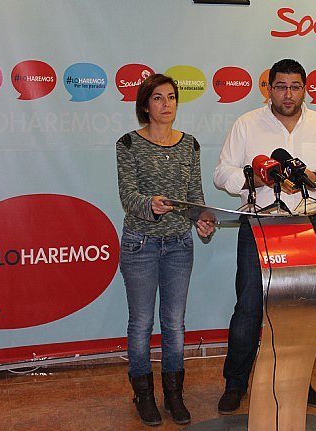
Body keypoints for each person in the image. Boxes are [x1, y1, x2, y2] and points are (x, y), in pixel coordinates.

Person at [213, 59, 316, 414]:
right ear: (269, 89)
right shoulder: (247, 124)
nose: (288, 94)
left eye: (295, 86)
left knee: (300, 311)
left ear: (305, 89)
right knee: (248, 308)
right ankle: (235, 384)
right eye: (280, 86)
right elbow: (222, 173)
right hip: (260, 225)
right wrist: (254, 180)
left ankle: (297, 382)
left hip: (308, 224)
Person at [116, 73, 215, 426]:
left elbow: (194, 197)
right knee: (141, 323)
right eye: (158, 98)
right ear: (145, 105)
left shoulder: (190, 144)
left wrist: (203, 218)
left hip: (179, 245)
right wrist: (150, 204)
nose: (166, 104)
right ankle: (144, 394)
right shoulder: (128, 144)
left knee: (174, 324)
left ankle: (174, 395)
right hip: (139, 244)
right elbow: (128, 196)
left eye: (171, 97)